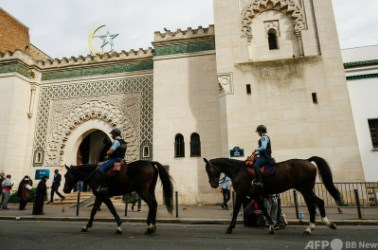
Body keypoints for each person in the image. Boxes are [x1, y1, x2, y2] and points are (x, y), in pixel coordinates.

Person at [97, 128, 127, 193]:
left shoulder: (116, 141)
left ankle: (103, 186)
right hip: (122, 160)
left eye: (112, 134)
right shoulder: (123, 142)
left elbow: (111, 152)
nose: (111, 135)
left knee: (100, 170)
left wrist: (107, 153)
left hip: (115, 159)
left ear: (115, 134)